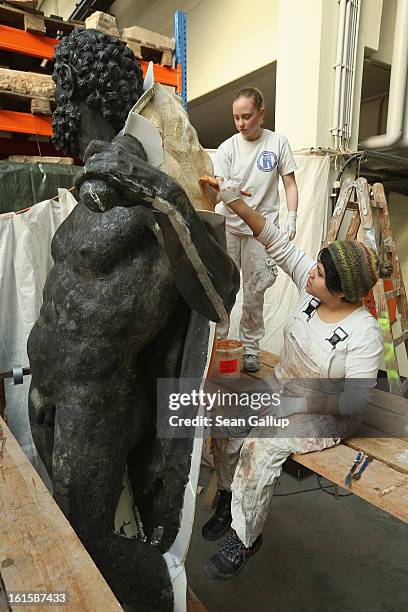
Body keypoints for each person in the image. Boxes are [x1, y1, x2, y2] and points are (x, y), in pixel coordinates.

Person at [27, 29, 239, 610]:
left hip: (97, 403)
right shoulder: (85, 193)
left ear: (79, 90)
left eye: (57, 91)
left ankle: (157, 594)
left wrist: (157, 189)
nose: (51, 109)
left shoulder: (155, 185)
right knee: (65, 524)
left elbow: (222, 293)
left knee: (86, 539)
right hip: (47, 391)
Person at [202, 178, 388, 580]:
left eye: (319, 275)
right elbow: (276, 242)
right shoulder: (314, 290)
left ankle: (246, 536)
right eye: (315, 268)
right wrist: (233, 201)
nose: (310, 275)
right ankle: (232, 496)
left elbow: (356, 401)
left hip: (325, 412)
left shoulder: (364, 333)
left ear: (342, 293)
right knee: (227, 422)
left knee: (259, 447)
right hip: (284, 384)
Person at [214, 87, 299, 372]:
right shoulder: (227, 148)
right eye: (236, 117)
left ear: (262, 113)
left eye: (247, 116)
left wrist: (292, 217)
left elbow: (289, 184)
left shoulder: (277, 143)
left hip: (260, 232)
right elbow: (219, 183)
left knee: (254, 291)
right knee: (223, 289)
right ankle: (218, 342)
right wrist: (224, 187)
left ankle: (251, 348)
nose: (241, 123)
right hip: (228, 227)